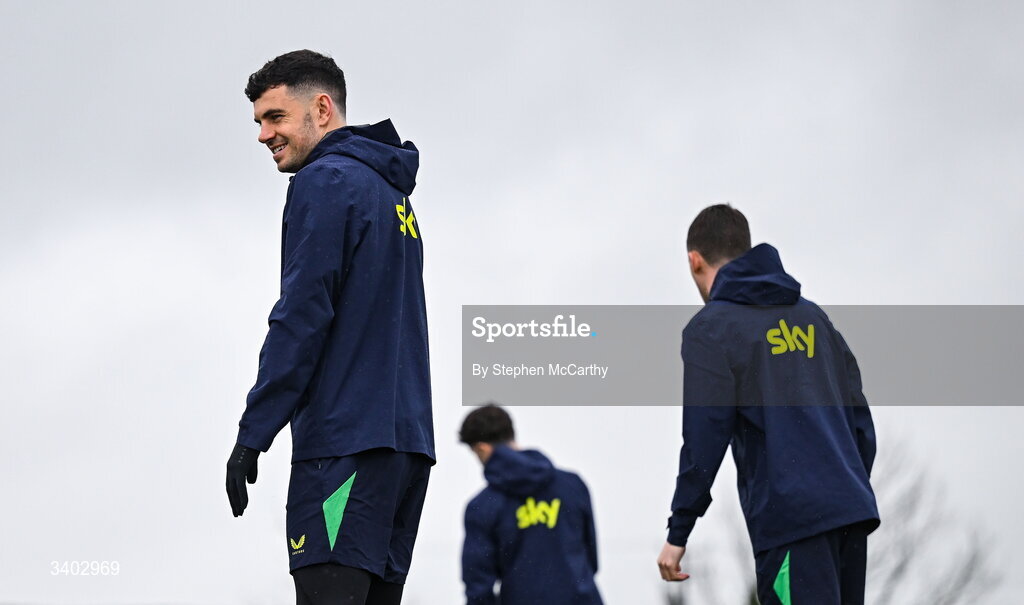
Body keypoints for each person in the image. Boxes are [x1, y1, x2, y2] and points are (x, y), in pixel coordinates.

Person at [224, 50, 435, 605]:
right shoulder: (393, 196)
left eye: (275, 117)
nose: (264, 135)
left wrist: (253, 433)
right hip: (406, 450)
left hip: (345, 447)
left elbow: (301, 317)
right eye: (259, 122)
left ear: (321, 108)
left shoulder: (324, 182)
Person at [657, 205, 880, 605]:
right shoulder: (814, 318)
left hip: (793, 521)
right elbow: (859, 417)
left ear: (695, 261)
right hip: (849, 511)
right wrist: (843, 484)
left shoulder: (712, 329)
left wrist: (679, 531)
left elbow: (703, 440)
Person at [459, 404, 604, 605]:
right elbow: (590, 560)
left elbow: (478, 586)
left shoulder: (482, 505)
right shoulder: (572, 485)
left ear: (481, 448)